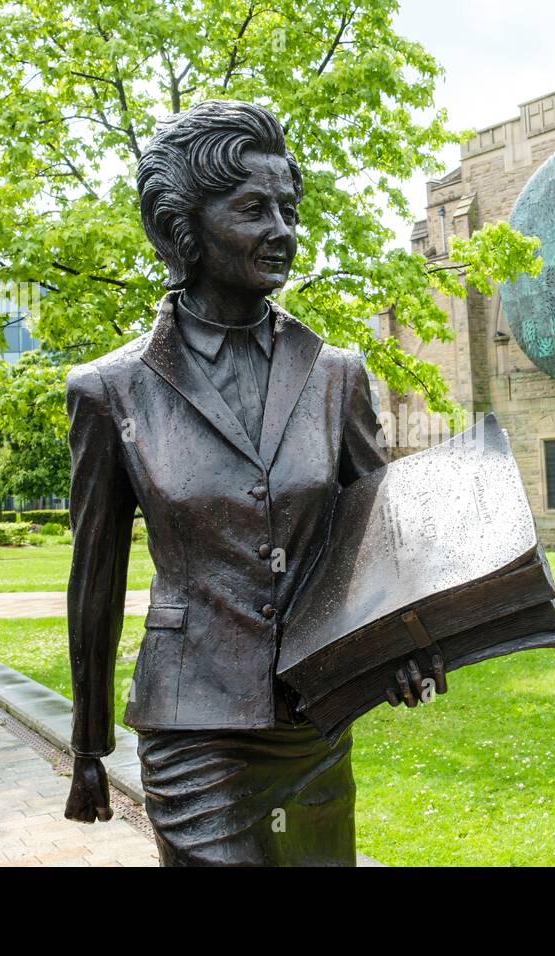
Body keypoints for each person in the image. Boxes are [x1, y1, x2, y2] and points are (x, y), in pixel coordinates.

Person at [61, 100, 443, 865]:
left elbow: (374, 531)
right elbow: (93, 581)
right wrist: (87, 747)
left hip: (312, 722)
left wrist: (406, 641)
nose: (283, 229)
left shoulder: (336, 375)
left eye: (288, 209)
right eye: (253, 209)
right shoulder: (111, 390)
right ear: (182, 230)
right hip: (191, 725)